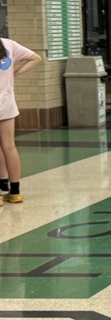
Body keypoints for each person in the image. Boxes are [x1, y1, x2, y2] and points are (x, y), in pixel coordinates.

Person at [0, 37, 43, 204]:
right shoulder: (8, 44)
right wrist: (15, 74)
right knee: (9, 147)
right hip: (6, 105)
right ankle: (15, 191)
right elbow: (36, 58)